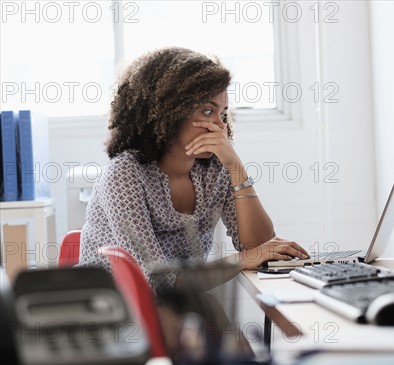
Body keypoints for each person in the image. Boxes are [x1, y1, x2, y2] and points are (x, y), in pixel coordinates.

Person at [78, 47, 309, 293]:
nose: (220, 126)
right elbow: (160, 283)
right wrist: (241, 261)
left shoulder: (214, 170)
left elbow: (262, 248)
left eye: (223, 113)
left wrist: (236, 167)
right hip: (109, 312)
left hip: (173, 310)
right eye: (207, 111)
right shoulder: (124, 175)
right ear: (168, 113)